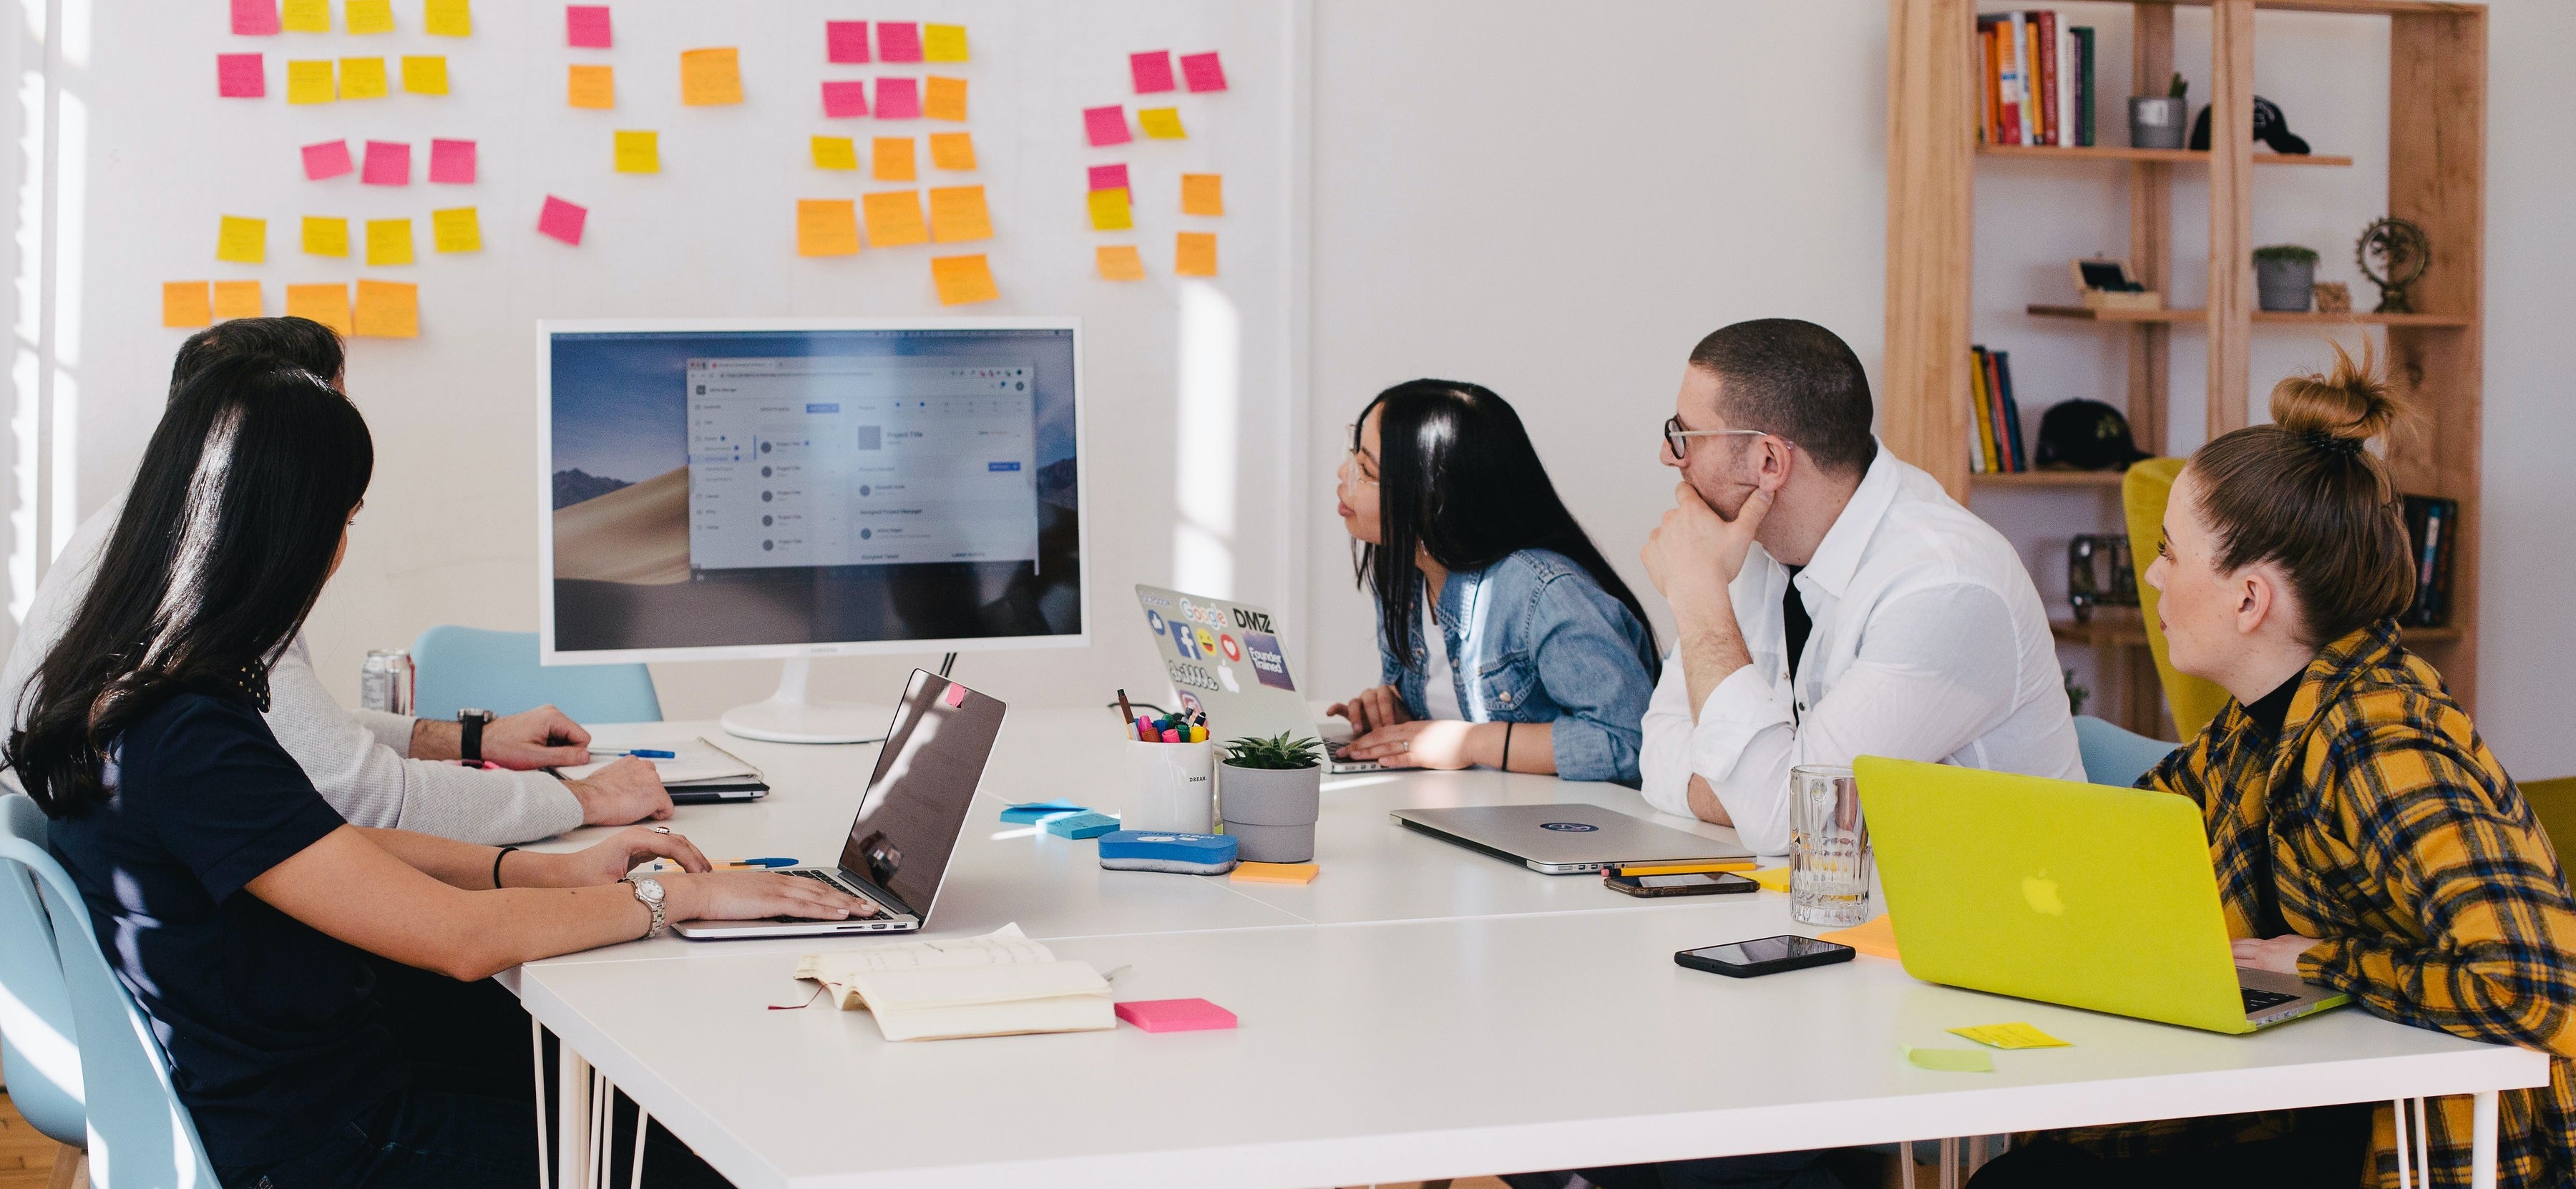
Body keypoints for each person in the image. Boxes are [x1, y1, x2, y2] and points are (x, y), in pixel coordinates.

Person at [4, 356, 873, 1188]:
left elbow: (336, 849)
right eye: (342, 522)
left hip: (315, 1093)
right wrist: (679, 899)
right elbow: (462, 942)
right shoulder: (188, 735)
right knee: (703, 1160)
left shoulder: (133, 690)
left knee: (631, 1086)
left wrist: (549, 870)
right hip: (327, 1148)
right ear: (286, 533)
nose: (340, 553)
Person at [1968, 346, 2576, 1189]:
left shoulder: (2378, 740)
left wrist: (2319, 963)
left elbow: (2542, 985)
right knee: (2034, 1170)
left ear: (2250, 599)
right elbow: (2138, 838)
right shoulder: (2261, 722)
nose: (2151, 573)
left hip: (2413, 1146)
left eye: (2170, 553)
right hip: (2312, 1103)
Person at [0, 317, 669, 845]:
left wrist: (473, 740)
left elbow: (281, 733)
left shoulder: (136, 535)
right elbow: (368, 799)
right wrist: (581, 800)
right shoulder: (207, 582)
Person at [1637, 319, 2081, 856]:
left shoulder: (1946, 585)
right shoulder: (1748, 545)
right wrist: (1760, 798)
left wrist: (1700, 603)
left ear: (1769, 462)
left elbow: (1793, 824)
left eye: (1685, 435)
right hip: (1851, 911)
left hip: (1997, 927)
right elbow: (1658, 753)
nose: (1669, 456)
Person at [1326, 379, 1661, 785]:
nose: (1345, 475)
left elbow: (1629, 743)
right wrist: (1401, 715)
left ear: (1432, 496)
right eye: (1353, 456)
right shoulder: (1404, 574)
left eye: (1366, 469)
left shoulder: (1543, 592)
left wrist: (1469, 743)